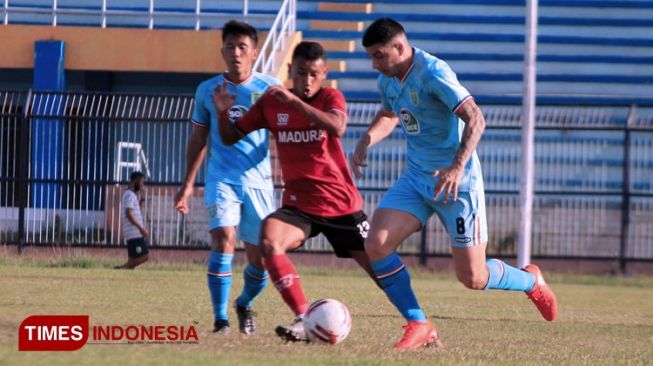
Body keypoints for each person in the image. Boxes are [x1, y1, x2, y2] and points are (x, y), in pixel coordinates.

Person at [350, 17, 558, 350]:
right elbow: (390, 114)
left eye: (379, 56)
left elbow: (476, 117)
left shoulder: (433, 73)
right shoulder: (389, 80)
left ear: (399, 48)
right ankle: (420, 324)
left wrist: (457, 167)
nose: (375, 65)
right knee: (375, 244)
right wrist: (366, 140)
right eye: (371, 57)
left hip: (457, 186)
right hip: (417, 180)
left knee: (472, 278)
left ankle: (530, 280)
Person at [213, 41, 377, 342]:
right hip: (299, 203)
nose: (307, 80)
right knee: (269, 239)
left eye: (314, 74)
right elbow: (230, 136)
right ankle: (303, 317)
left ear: (324, 73)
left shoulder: (330, 97)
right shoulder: (271, 103)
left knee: (380, 268)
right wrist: (224, 114)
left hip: (340, 204)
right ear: (291, 70)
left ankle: (418, 322)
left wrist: (295, 103)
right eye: (301, 73)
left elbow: (337, 127)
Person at [174, 20, 282, 335]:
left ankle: (244, 304)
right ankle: (220, 320)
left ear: (254, 53)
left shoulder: (269, 88)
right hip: (222, 178)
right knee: (223, 237)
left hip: (258, 183)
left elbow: (284, 135)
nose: (235, 53)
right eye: (230, 46)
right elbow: (198, 139)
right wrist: (187, 184)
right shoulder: (208, 90)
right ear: (222, 50)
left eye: (242, 48)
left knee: (260, 260)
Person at [115, 171, 149, 269]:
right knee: (144, 256)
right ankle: (121, 268)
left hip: (134, 232)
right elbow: (129, 213)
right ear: (136, 181)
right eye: (142, 183)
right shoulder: (129, 195)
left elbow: (135, 210)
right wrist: (141, 228)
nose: (142, 186)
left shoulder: (132, 195)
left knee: (133, 259)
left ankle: (124, 271)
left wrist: (141, 201)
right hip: (134, 233)